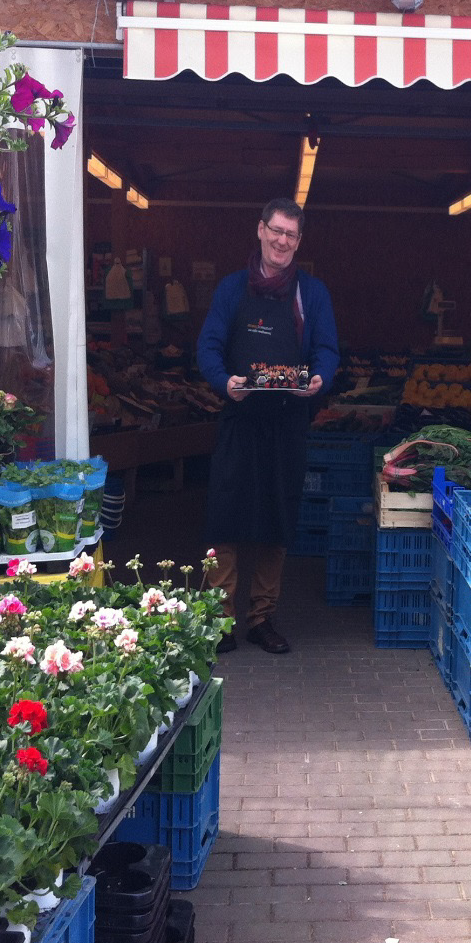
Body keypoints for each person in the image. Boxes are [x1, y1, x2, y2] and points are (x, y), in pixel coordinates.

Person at [197, 198, 338, 654]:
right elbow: (208, 347)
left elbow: (328, 351)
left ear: (299, 241)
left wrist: (318, 379)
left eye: (290, 235)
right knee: (225, 519)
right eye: (275, 231)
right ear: (260, 230)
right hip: (239, 419)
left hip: (287, 423)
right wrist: (225, 382)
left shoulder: (312, 294)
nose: (281, 241)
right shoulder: (231, 289)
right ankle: (219, 621)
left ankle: (261, 618)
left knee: (277, 521)